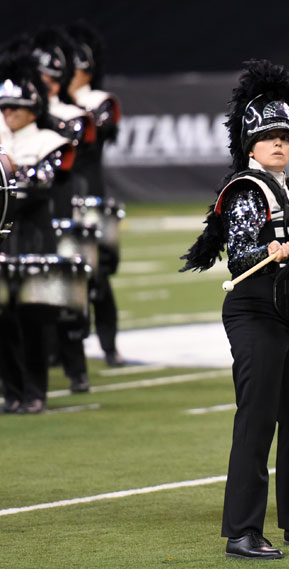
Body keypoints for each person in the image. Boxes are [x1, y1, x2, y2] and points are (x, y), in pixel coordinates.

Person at [180, 60, 289, 559]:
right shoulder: (244, 190)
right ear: (249, 143)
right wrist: (272, 252)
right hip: (254, 314)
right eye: (268, 136)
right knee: (257, 422)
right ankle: (242, 532)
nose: (279, 144)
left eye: (286, 136)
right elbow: (242, 251)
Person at [0, 50, 75, 414]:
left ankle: (36, 392)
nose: (7, 113)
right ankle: (11, 391)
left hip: (33, 240)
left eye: (15, 107)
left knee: (32, 319)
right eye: (3, 107)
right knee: (2, 320)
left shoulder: (50, 142)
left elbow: (38, 187)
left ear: (32, 108)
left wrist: (11, 172)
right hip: (3, 241)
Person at [32, 27, 96, 392]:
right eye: (41, 78)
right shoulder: (15, 119)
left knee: (68, 295)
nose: (47, 83)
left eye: (52, 78)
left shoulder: (71, 116)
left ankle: (76, 368)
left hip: (61, 210)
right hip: (28, 219)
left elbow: (77, 147)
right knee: (28, 298)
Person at [66, 20, 125, 367]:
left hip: (90, 195)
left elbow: (98, 130)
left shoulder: (99, 102)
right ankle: (63, 350)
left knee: (98, 276)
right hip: (59, 197)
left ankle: (109, 345)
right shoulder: (49, 105)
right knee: (64, 275)